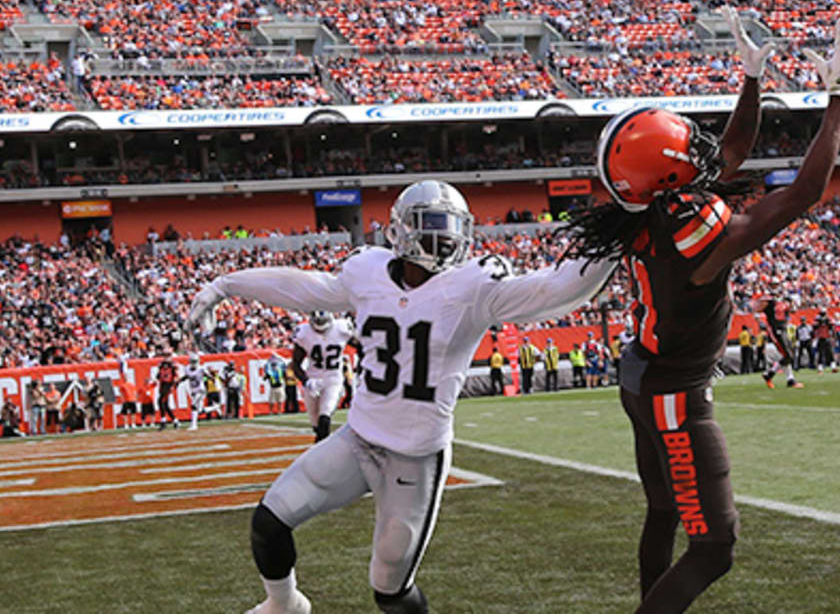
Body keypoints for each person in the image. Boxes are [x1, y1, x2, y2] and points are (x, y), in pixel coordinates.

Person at [559, 12, 840, 614]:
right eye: (682, 146)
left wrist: (753, 79)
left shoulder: (646, 209)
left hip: (645, 374)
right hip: (674, 391)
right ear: (668, 174)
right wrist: (839, 96)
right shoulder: (690, 231)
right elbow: (804, 192)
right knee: (715, 547)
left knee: (662, 511)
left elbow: (726, 153)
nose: (697, 147)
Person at [186, 178, 614, 614]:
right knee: (268, 523)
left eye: (450, 225)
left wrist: (613, 242)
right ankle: (285, 605)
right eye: (432, 223)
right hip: (357, 440)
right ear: (401, 229)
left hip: (414, 459)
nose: (444, 236)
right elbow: (305, 288)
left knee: (389, 590)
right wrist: (226, 284)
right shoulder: (367, 272)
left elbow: (554, 291)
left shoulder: (473, 286)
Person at [293, 311, 357, 442]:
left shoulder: (342, 328)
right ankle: (320, 446)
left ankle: (321, 456)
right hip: (313, 379)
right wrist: (306, 381)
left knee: (325, 416)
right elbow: (295, 364)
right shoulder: (304, 332)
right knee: (316, 422)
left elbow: (361, 346)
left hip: (333, 378)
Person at [755, 298, 802, 388]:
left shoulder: (783, 302)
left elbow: (793, 311)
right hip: (775, 329)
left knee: (789, 355)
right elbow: (757, 309)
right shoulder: (770, 302)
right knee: (788, 355)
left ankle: (788, 379)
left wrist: (790, 304)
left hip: (784, 329)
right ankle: (773, 374)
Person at [182, 353, 207, 431]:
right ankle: (215, 407)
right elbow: (186, 377)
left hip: (200, 390)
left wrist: (212, 378)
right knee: (199, 410)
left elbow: (207, 375)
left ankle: (194, 425)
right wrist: (179, 381)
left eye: (195, 361)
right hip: (193, 389)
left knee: (193, 405)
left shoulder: (201, 369)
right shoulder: (187, 369)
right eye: (192, 361)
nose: (193, 363)